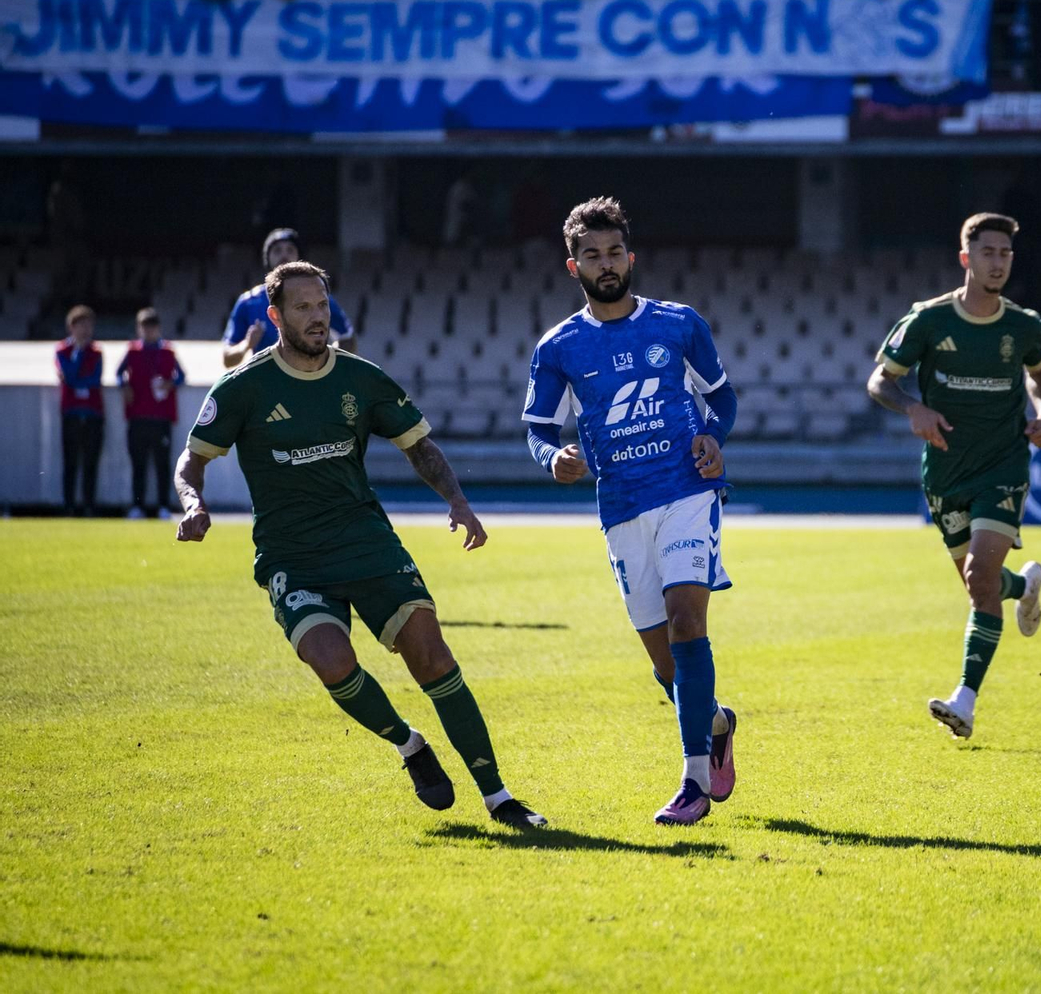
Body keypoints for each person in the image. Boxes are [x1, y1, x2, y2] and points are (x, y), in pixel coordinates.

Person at [174, 261, 545, 828]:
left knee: (433, 657)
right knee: (331, 661)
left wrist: (459, 503)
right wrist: (192, 503)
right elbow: (191, 461)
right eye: (302, 307)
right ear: (275, 316)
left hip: (365, 541)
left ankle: (500, 798)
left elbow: (419, 446)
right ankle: (408, 744)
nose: (317, 316)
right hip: (292, 557)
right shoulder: (243, 388)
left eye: (322, 305)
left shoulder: (361, 379)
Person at [522, 197, 740, 827]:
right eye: (592, 254)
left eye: (615, 251)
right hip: (620, 507)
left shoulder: (678, 325)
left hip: (686, 493)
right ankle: (717, 722)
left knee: (684, 620)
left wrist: (713, 437)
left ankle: (693, 780)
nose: (606, 263)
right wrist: (550, 457)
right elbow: (538, 426)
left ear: (631, 256)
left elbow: (722, 400)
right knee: (663, 663)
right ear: (574, 266)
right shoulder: (559, 346)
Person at [866, 213, 1041, 741]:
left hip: (1004, 463)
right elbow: (880, 381)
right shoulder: (928, 320)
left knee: (978, 577)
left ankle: (964, 701)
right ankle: (1027, 584)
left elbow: (1040, 373)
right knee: (986, 589)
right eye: (988, 252)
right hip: (947, 470)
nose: (998, 262)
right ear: (966, 258)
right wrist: (912, 409)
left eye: (1006, 254)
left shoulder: (1024, 325)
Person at [223, 229, 356, 369]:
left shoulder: (318, 297)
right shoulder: (248, 302)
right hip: (268, 384)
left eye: (290, 250)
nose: (284, 255)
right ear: (267, 257)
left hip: (307, 381)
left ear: (299, 257)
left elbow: (348, 339)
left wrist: (325, 366)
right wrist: (247, 344)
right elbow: (227, 359)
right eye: (277, 250)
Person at [117, 307, 186, 519]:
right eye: (145, 328)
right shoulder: (132, 351)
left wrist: (169, 384)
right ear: (139, 329)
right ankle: (137, 506)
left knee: (162, 464)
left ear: (158, 328)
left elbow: (181, 377)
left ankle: (163, 505)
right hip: (138, 414)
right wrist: (124, 386)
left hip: (160, 416)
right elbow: (119, 374)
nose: (148, 332)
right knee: (139, 463)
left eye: (152, 327)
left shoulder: (167, 351)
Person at [57, 305, 105, 517]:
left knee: (90, 462)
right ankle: (69, 506)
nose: (86, 330)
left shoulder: (96, 352)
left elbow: (94, 380)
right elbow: (69, 375)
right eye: (81, 325)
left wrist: (76, 380)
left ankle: (88, 506)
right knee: (71, 461)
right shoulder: (63, 351)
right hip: (71, 412)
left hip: (93, 412)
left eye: (89, 325)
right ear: (71, 327)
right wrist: (77, 354)